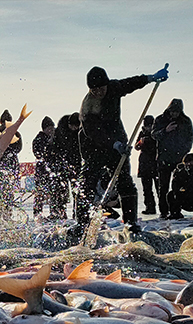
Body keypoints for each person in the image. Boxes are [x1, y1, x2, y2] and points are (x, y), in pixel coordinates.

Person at [77, 65, 167, 234]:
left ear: (106, 84)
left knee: (124, 182)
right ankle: (81, 224)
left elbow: (131, 83)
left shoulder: (113, 88)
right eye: (94, 89)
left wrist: (151, 78)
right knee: (86, 185)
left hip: (117, 145)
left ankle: (131, 222)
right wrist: (114, 144)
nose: (98, 92)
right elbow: (93, 133)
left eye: (101, 88)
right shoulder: (87, 107)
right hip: (94, 148)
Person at [152, 98, 193, 219]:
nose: (174, 114)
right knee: (163, 187)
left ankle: (175, 210)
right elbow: (154, 135)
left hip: (179, 159)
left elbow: (190, 137)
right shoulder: (160, 119)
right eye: (172, 111)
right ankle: (163, 211)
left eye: (177, 112)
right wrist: (165, 130)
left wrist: (185, 153)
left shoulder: (185, 121)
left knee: (178, 186)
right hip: (164, 158)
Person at [48, 112, 81, 221]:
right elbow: (52, 149)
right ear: (69, 124)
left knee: (77, 191)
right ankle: (59, 214)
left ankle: (78, 214)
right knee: (60, 191)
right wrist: (54, 164)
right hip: (60, 166)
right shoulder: (59, 132)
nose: (75, 128)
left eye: (77, 126)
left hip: (76, 165)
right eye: (73, 126)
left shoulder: (80, 133)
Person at [31, 116, 56, 220]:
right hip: (42, 170)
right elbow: (39, 153)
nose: (51, 130)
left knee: (54, 192)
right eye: (49, 128)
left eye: (52, 128)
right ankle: (37, 213)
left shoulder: (54, 139)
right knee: (40, 193)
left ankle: (55, 212)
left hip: (52, 169)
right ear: (44, 129)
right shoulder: (38, 139)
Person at [135, 115, 158, 215]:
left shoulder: (156, 133)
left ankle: (164, 208)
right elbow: (136, 146)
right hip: (145, 164)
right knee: (147, 189)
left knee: (159, 188)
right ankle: (150, 207)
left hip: (155, 162)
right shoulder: (142, 133)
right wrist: (141, 142)